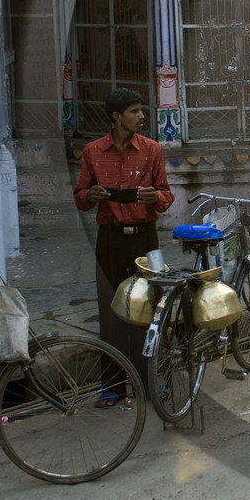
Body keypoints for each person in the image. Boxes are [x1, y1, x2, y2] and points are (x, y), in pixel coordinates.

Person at [75, 89, 174, 389]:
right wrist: (90, 195)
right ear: (117, 117)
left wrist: (153, 197)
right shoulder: (93, 152)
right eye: (134, 112)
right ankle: (113, 386)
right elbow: (80, 197)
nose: (142, 117)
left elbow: (167, 196)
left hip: (145, 240)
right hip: (110, 242)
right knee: (111, 311)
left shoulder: (152, 150)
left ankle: (147, 381)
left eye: (141, 111)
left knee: (147, 309)